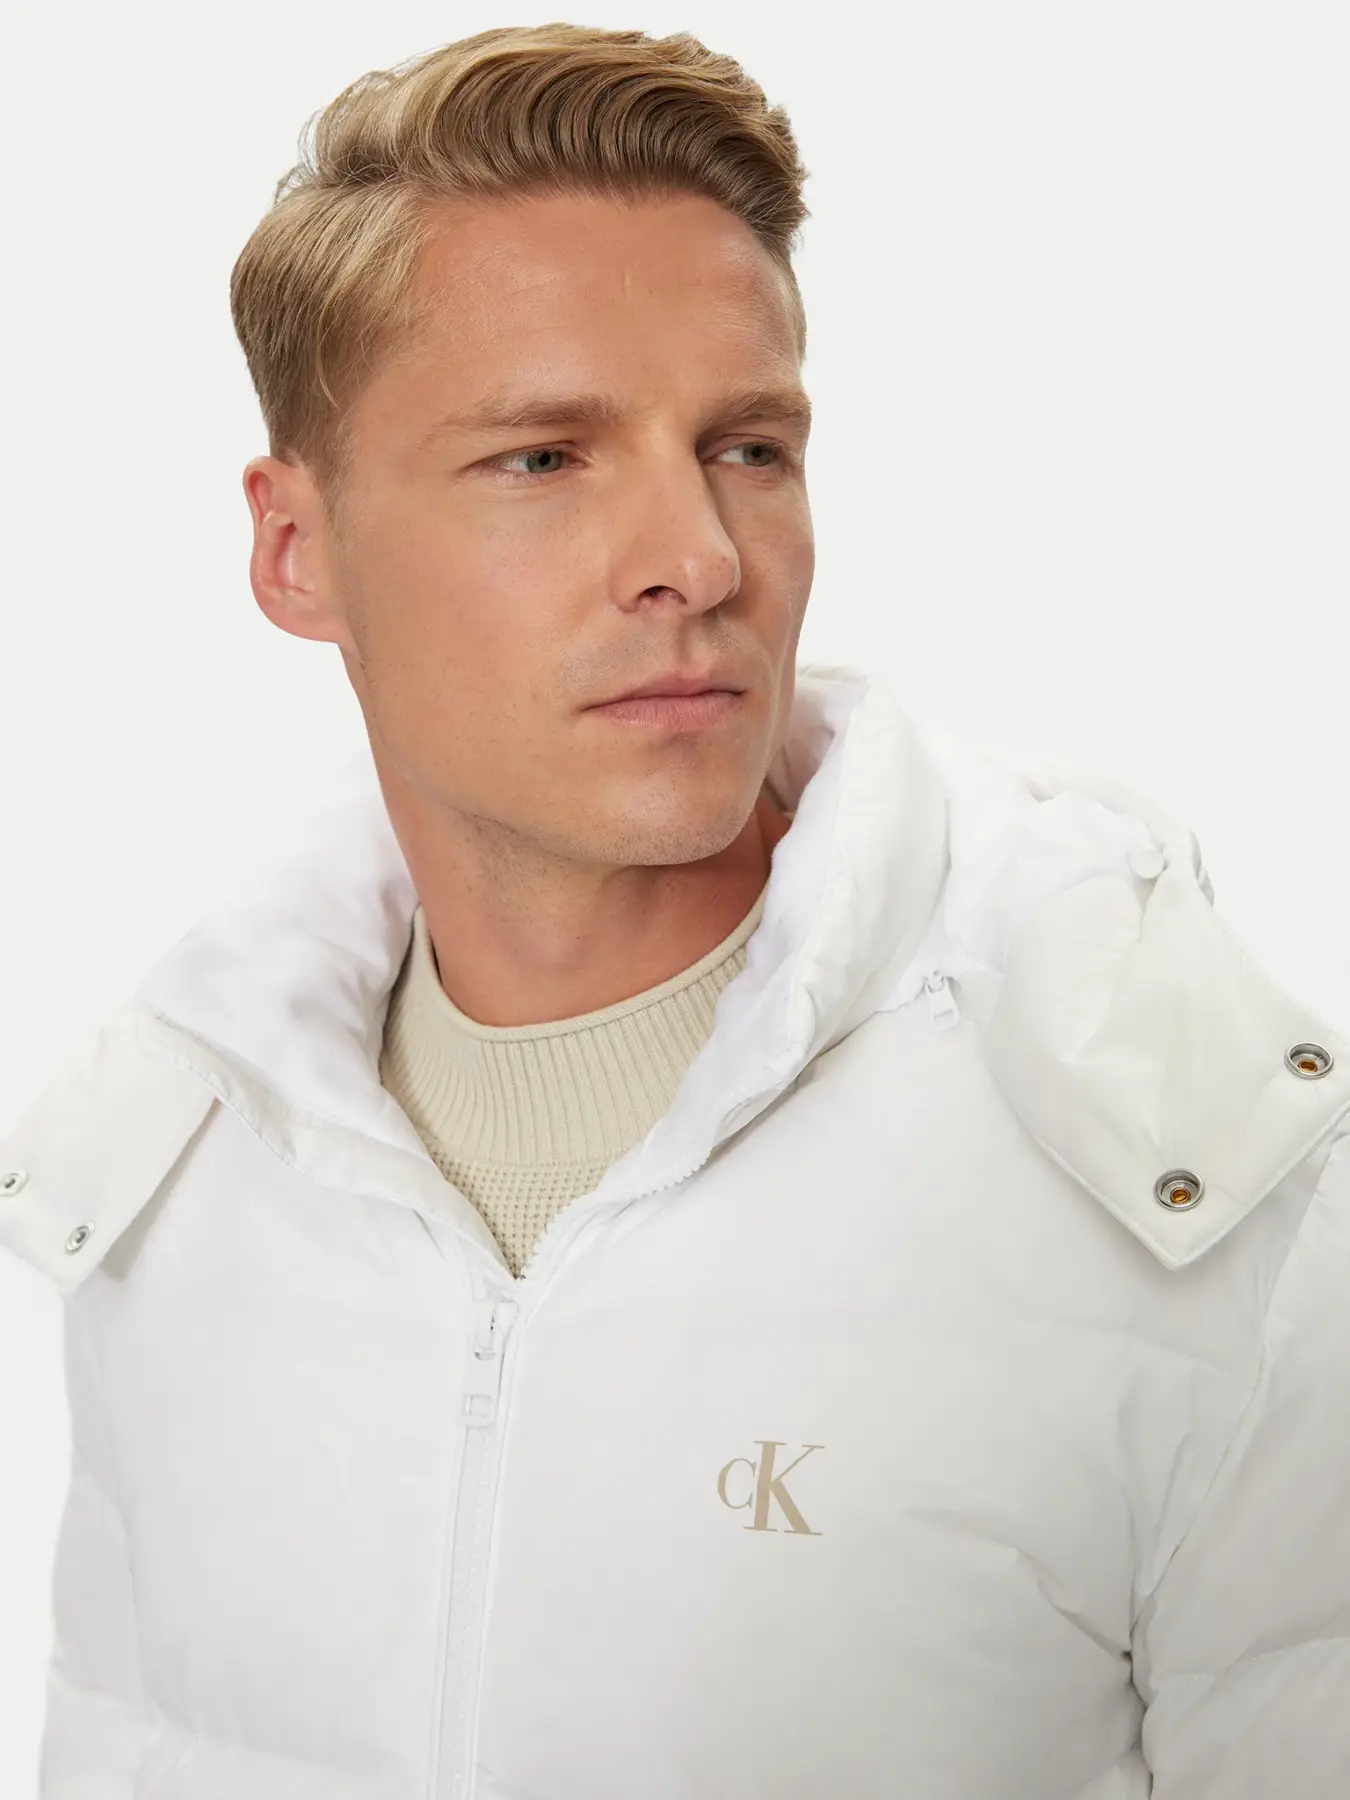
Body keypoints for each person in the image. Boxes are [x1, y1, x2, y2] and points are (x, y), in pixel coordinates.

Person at [3, 23, 1348, 1799]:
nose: (699, 559)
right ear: (295, 550)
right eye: (543, 459)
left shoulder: (1189, 1170)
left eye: (748, 447)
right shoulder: (172, 1166)